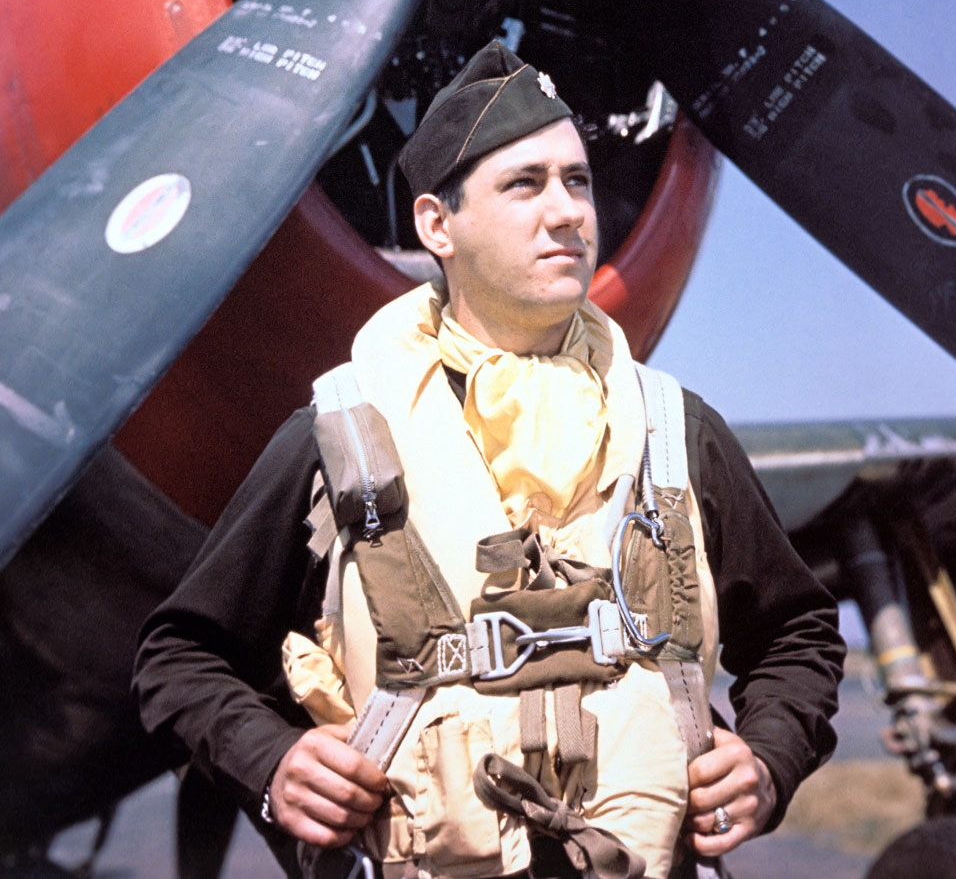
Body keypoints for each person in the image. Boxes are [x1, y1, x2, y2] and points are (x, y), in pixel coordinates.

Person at [134, 43, 844, 879]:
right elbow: (178, 656)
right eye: (525, 185)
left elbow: (799, 631)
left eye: (577, 181)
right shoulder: (341, 436)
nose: (568, 212)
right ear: (438, 225)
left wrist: (768, 758)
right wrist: (271, 765)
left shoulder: (675, 429)